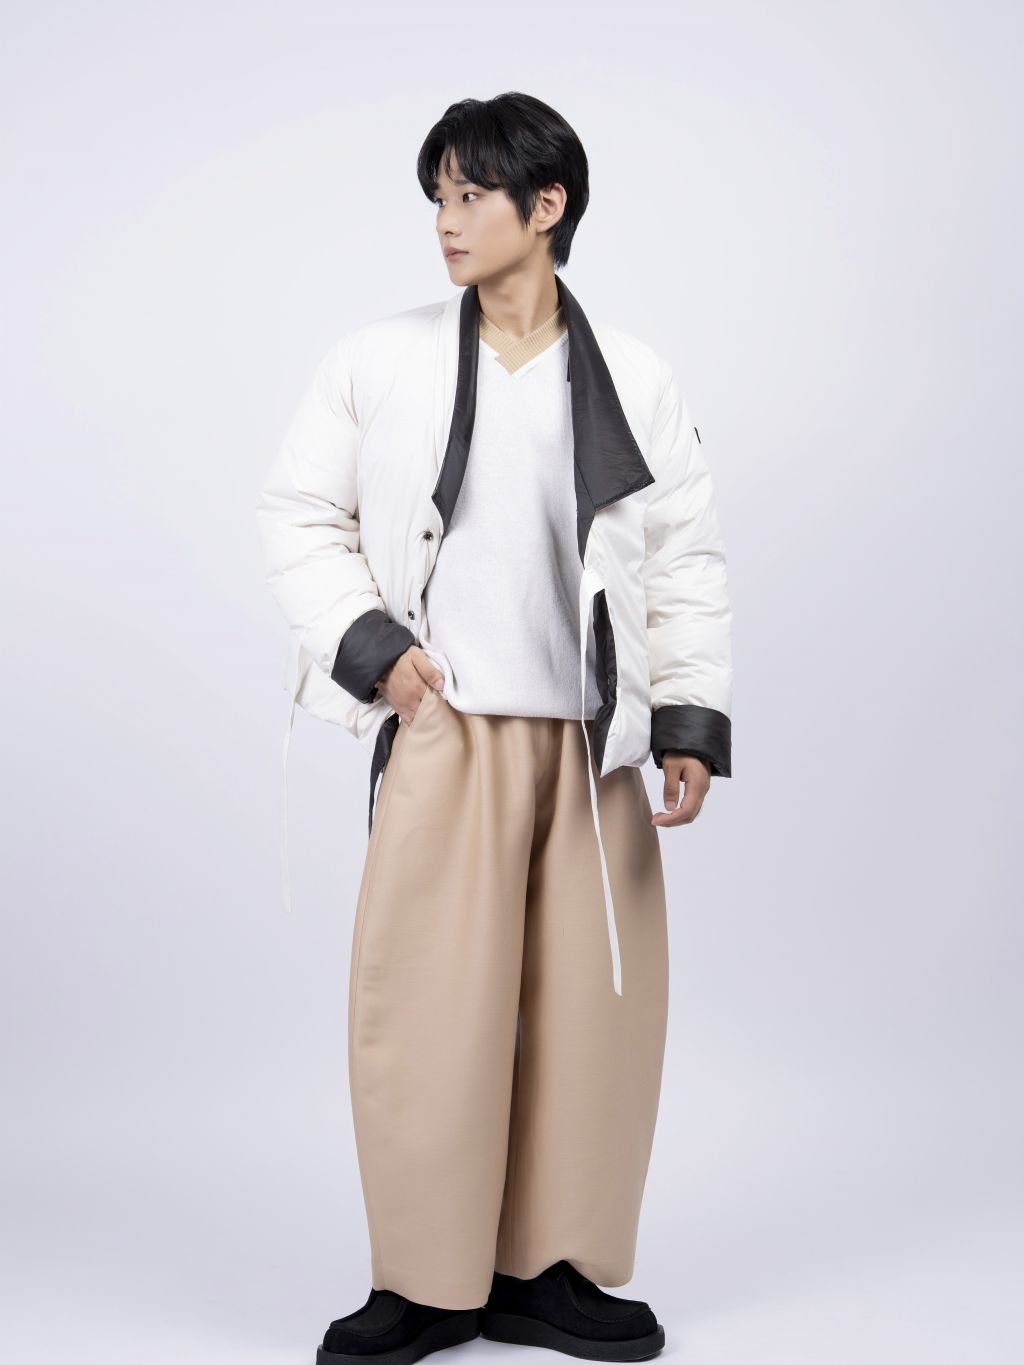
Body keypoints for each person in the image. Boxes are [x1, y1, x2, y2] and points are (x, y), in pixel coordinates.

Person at [256, 91, 734, 1365]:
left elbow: (682, 557)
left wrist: (687, 720)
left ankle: (549, 1271)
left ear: (547, 205)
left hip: (591, 746)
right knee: (426, 1009)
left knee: (593, 1019)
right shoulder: (377, 360)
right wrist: (380, 656)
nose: (446, 221)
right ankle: (425, 1281)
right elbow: (298, 514)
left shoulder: (636, 375)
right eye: (439, 197)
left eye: (471, 195)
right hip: (448, 727)